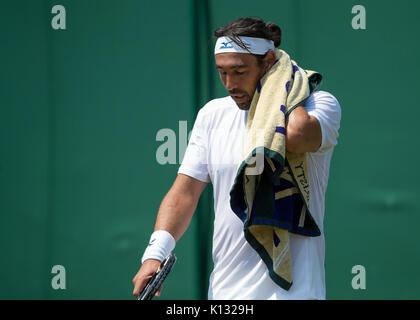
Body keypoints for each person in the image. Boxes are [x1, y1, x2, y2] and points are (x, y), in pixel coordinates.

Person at [132, 17, 341, 300]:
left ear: (269, 62)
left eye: (239, 71)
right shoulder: (212, 114)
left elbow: (296, 135)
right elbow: (185, 193)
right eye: (222, 73)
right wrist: (154, 254)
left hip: (299, 294)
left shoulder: (319, 104)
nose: (229, 84)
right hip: (226, 295)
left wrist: (287, 83)